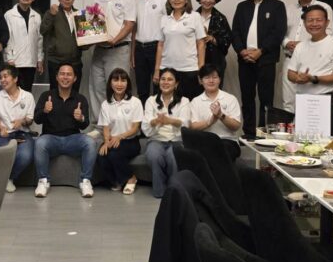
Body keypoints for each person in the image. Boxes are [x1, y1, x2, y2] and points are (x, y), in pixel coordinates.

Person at [231, 0, 287, 138]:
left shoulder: (277, 6)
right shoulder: (242, 6)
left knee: (266, 99)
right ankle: (248, 133)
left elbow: (278, 33)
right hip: (245, 59)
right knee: (247, 98)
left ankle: (263, 133)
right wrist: (242, 51)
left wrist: (260, 51)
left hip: (266, 59)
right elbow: (235, 32)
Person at [33, 64, 97, 198]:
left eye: (69, 74)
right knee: (40, 143)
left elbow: (85, 125)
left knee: (90, 142)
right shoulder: (46, 96)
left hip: (73, 139)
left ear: (75, 78)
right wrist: (44, 111)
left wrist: (80, 118)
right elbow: (37, 120)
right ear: (56, 77)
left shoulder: (80, 99)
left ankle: (85, 181)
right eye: (62, 74)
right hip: (51, 138)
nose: (65, 77)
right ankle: (43, 181)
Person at [286, 5, 333, 133]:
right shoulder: (300, 46)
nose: (314, 24)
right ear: (304, 23)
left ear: (327, 22)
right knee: (301, 137)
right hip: (303, 99)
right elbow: (290, 73)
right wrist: (298, 78)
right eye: (310, 20)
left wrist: (315, 79)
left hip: (325, 99)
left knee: (324, 139)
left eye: (319, 20)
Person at [281, 0, 333, 113]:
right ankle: (290, 127)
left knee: (310, 102)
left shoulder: (324, 8)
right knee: (288, 101)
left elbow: (329, 34)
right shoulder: (287, 9)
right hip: (290, 59)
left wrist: (303, 45)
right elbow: (279, 33)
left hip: (313, 60)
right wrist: (287, 42)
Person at [89, 0, 137, 119]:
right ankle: (99, 123)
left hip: (119, 49)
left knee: (118, 87)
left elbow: (129, 24)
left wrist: (115, 40)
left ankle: (119, 123)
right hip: (99, 49)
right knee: (97, 87)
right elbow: (94, 22)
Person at [142, 68, 191, 198]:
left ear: (176, 84)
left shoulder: (184, 101)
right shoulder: (151, 100)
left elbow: (186, 124)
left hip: (176, 140)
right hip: (156, 139)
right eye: (163, 79)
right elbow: (145, 126)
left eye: (170, 79)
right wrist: (156, 121)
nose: (165, 82)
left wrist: (170, 121)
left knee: (173, 156)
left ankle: (174, 190)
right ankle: (160, 192)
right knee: (154, 155)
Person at [0, 65, 36, 193]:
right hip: (3, 134)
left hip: (22, 133)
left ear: (15, 79)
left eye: (5, 76)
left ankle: (9, 178)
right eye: (0, 78)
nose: (2, 80)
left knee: (25, 155)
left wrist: (22, 121)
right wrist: (1, 128)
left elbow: (30, 120)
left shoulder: (28, 96)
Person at [154, 0, 206, 99]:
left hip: (189, 69)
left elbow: (201, 44)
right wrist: (157, 70)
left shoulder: (195, 16)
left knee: (189, 104)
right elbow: (160, 45)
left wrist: (201, 69)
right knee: (166, 103)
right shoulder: (164, 19)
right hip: (167, 69)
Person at [98, 68, 142, 195]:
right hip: (112, 140)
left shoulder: (135, 102)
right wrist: (106, 142)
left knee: (114, 154)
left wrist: (120, 137)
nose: (119, 84)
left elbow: (135, 128)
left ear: (128, 83)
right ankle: (117, 181)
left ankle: (131, 178)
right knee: (101, 155)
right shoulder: (106, 104)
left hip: (130, 141)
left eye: (123, 80)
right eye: (115, 80)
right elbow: (106, 128)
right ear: (110, 83)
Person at [188, 64, 243, 160]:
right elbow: (192, 127)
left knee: (220, 150)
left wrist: (221, 116)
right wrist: (210, 122)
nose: (211, 81)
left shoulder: (230, 99)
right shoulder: (195, 101)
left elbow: (236, 126)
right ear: (200, 80)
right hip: (204, 141)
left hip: (227, 141)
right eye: (207, 78)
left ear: (220, 79)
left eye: (214, 77)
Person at [40, 0, 84, 93]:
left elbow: (83, 42)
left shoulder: (79, 14)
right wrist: (51, 15)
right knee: (55, 93)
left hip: (75, 62)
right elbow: (43, 31)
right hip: (56, 62)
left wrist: (94, 38)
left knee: (74, 93)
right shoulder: (52, 12)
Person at [133, 0, 166, 102]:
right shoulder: (136, 2)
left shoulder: (164, 0)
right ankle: (143, 115)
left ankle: (158, 114)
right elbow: (134, 28)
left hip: (157, 48)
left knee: (159, 87)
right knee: (142, 88)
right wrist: (132, 54)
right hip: (139, 48)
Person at [4, 0, 44, 92]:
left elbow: (39, 39)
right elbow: (6, 38)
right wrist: (9, 58)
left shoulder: (37, 16)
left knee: (27, 92)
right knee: (13, 92)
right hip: (14, 61)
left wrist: (39, 59)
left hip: (31, 62)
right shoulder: (9, 15)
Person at [194, 0, 232, 89]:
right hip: (193, 62)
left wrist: (212, 38)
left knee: (213, 93)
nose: (208, 0)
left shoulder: (221, 18)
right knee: (194, 93)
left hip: (215, 63)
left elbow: (227, 42)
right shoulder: (191, 16)